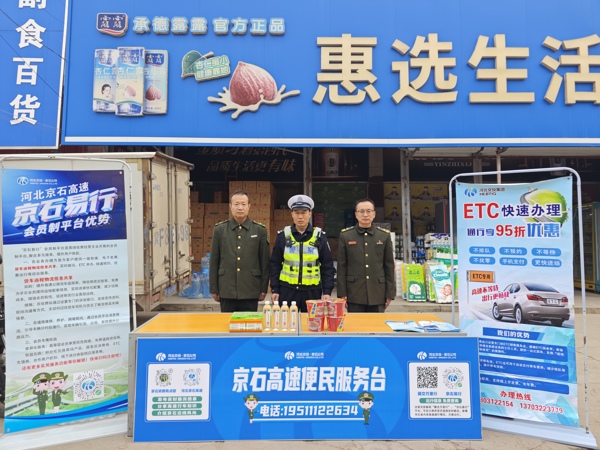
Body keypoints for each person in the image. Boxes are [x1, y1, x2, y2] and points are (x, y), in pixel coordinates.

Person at [270, 195, 335, 313]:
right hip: (287, 290)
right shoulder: (283, 236)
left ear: (310, 214)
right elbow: (275, 264)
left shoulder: (320, 237)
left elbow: (327, 267)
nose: (300, 216)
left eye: (304, 212)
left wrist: (327, 291)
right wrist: (275, 289)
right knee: (287, 322)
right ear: (292, 214)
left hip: (312, 291)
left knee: (312, 322)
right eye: (297, 212)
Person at [210, 190, 270, 312]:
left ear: (249, 206)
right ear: (230, 206)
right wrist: (214, 288)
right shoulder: (220, 230)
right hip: (227, 288)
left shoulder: (259, 230)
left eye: (243, 204)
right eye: (236, 204)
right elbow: (214, 261)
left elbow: (264, 262)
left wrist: (263, 288)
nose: (240, 208)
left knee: (249, 323)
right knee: (227, 322)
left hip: (250, 288)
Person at [337, 198, 396, 312]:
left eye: (369, 211)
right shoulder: (346, 236)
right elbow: (342, 266)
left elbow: (389, 266)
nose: (365, 215)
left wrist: (390, 293)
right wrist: (342, 293)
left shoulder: (383, 236)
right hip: (354, 292)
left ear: (374, 214)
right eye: (361, 211)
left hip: (378, 292)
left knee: (377, 323)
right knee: (356, 323)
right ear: (356, 214)